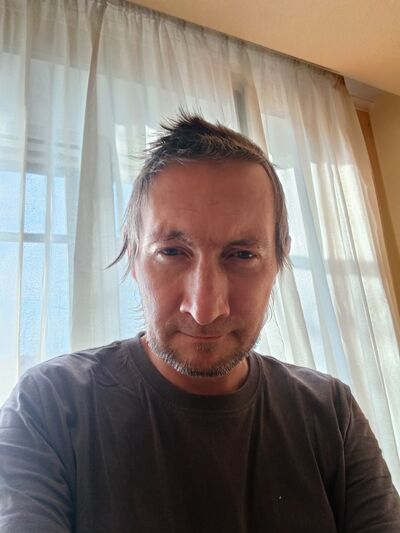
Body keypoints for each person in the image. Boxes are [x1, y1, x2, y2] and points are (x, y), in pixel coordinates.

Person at [0, 113, 399, 533]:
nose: (205, 309)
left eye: (242, 255)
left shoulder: (331, 413)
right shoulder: (49, 407)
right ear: (133, 258)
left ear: (280, 260)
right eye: (172, 252)